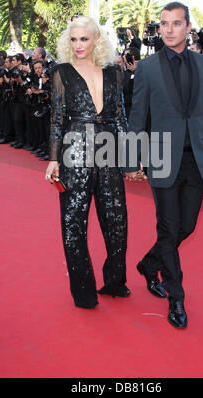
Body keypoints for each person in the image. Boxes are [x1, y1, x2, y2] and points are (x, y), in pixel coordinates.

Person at [125, 1, 203, 329]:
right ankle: (176, 297)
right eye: (163, 23)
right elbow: (137, 115)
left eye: (175, 23)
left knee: (186, 227)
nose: (168, 29)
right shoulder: (148, 67)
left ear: (188, 27)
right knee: (167, 228)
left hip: (197, 159)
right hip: (162, 157)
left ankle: (149, 264)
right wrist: (129, 158)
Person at [45, 16, 130, 309]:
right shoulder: (62, 72)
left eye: (84, 39)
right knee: (73, 224)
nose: (78, 45)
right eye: (73, 39)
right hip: (74, 151)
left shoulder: (114, 72)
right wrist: (53, 158)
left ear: (96, 40)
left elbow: (119, 117)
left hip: (108, 153)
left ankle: (115, 281)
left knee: (116, 221)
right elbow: (57, 118)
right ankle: (84, 292)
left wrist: (130, 159)